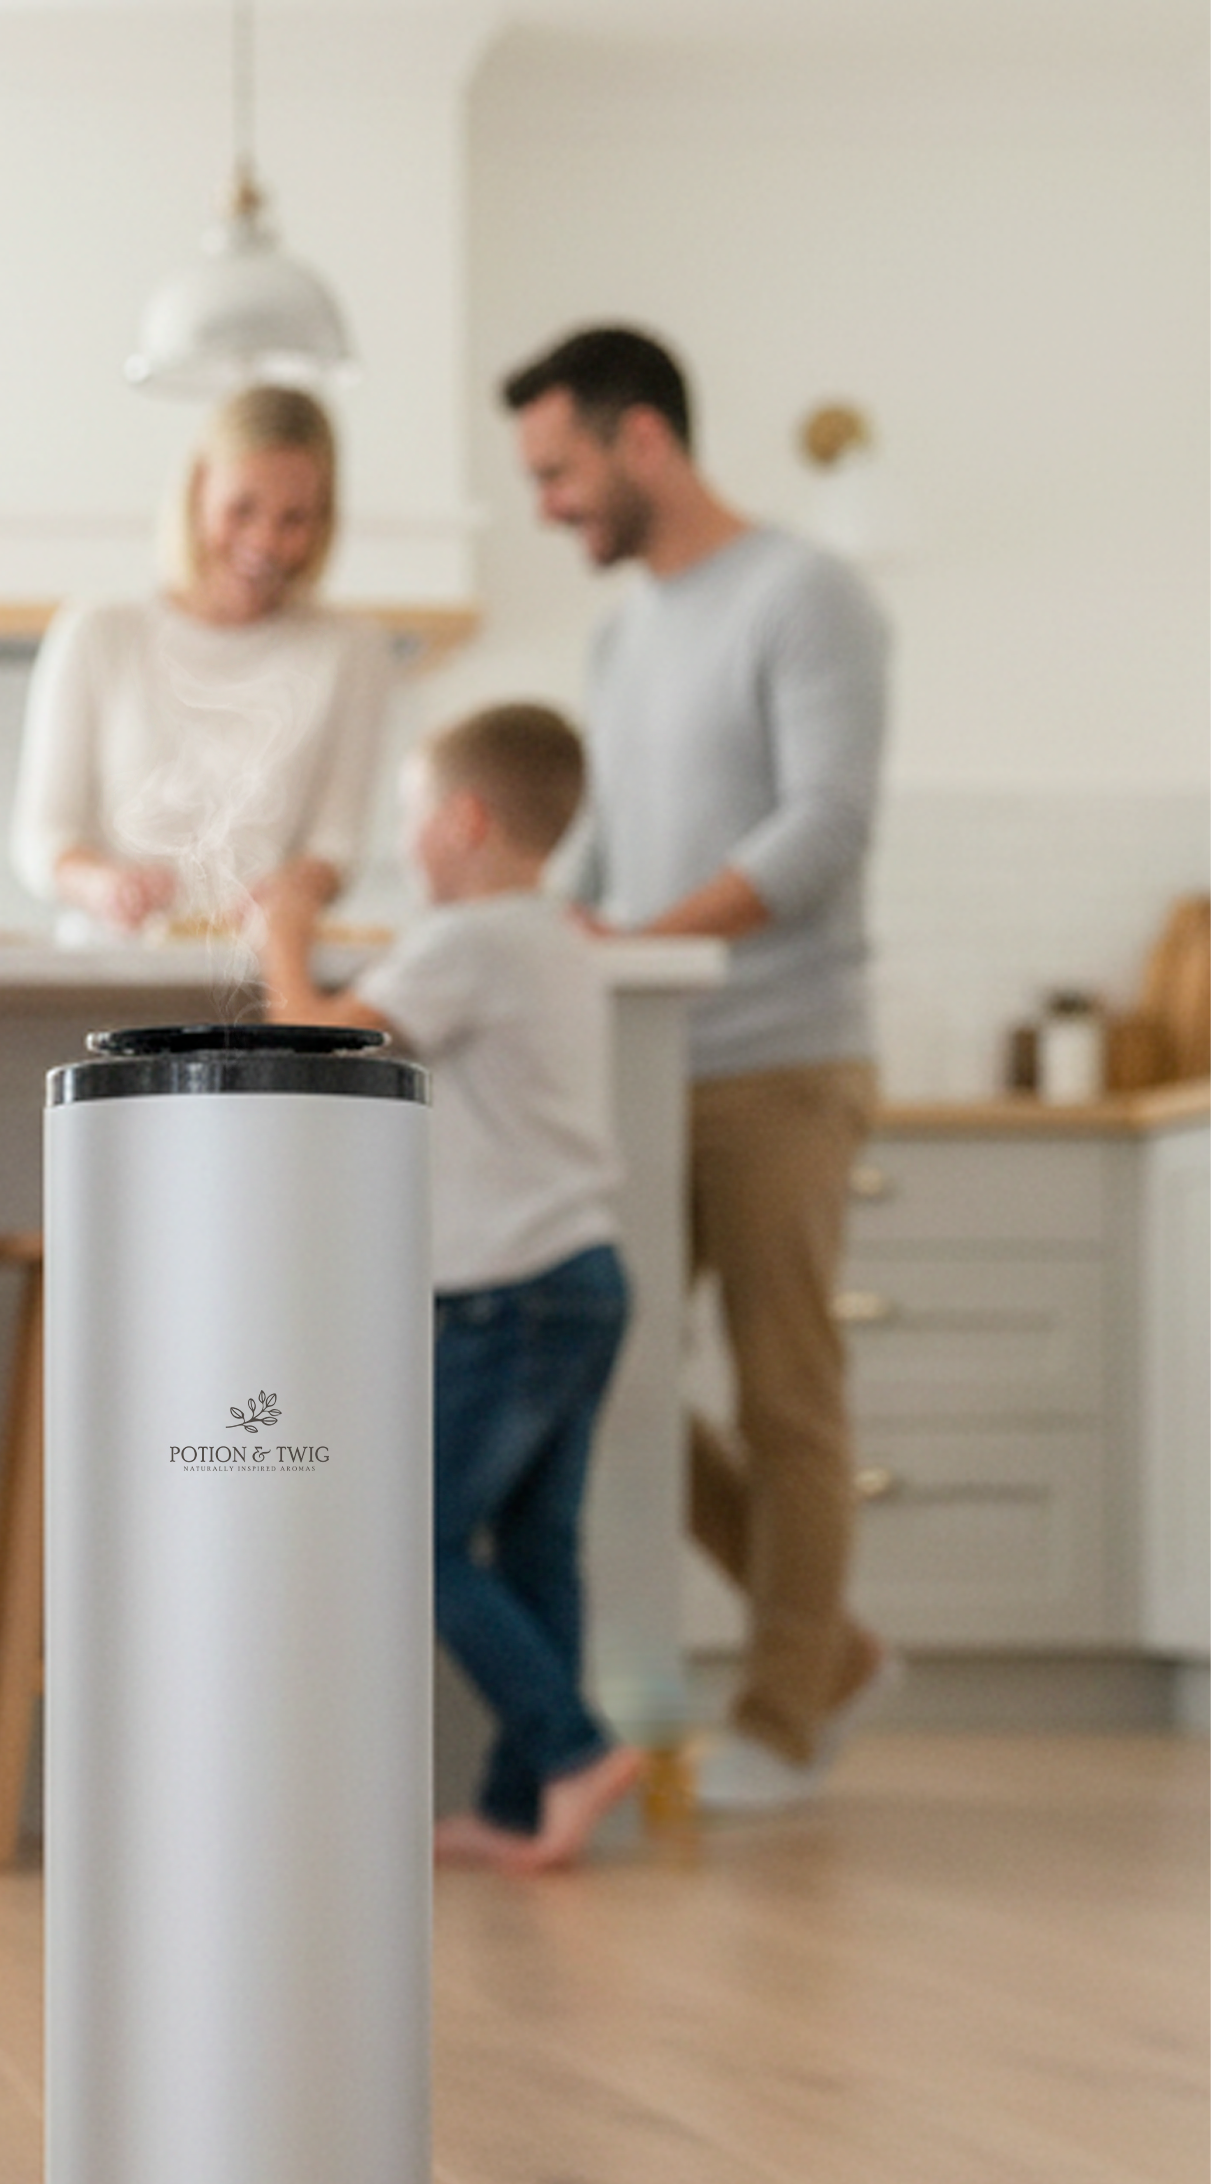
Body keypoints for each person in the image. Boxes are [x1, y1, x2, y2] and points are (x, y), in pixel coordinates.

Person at [499, 323, 897, 1811]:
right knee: (604, 1374)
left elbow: (820, 827)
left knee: (786, 1395)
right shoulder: (620, 637)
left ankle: (784, 1714)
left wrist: (643, 943)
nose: (546, 505)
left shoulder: (805, 596)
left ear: (642, 439)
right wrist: (542, 931)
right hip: (641, 1062)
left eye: (556, 471)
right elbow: (601, 856)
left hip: (780, 1058)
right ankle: (832, 1647)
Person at [263, 704, 643, 1874]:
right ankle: (523, 1803)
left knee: (400, 1535)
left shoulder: (467, 940)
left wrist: (280, 929)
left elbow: (319, 1045)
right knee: (534, 1551)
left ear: (463, 821)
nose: (402, 840)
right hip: (577, 1274)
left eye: (409, 814)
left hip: (505, 1291)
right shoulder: (548, 937)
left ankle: (570, 1751)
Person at [11, 383, 393, 941]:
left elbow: (335, 844)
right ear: (198, 490)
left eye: (294, 519)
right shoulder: (98, 633)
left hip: (263, 971)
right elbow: (44, 838)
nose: (265, 541)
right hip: (112, 967)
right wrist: (103, 886)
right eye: (243, 509)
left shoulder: (351, 652)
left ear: (324, 521)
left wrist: (294, 890)